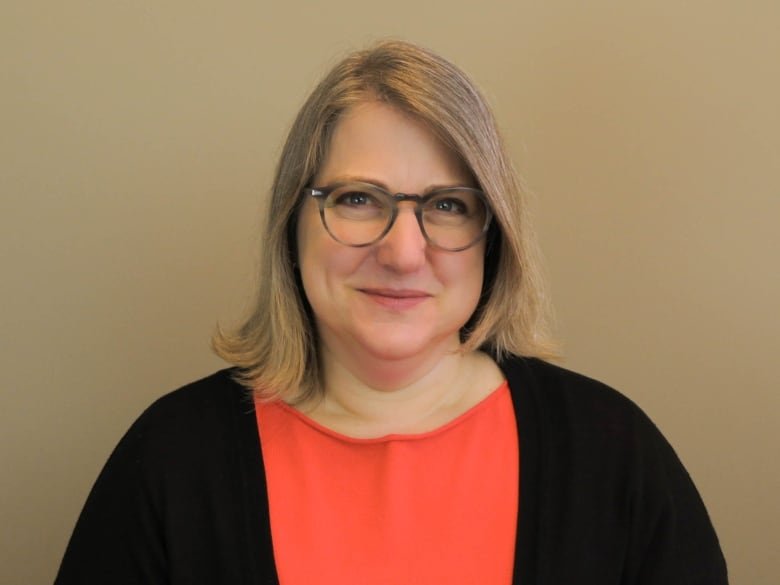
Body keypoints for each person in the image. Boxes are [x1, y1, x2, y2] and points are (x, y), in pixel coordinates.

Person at [55, 40, 728, 584]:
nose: (404, 252)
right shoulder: (170, 460)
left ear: (493, 237)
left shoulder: (614, 455)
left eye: (446, 204)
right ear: (294, 223)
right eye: (356, 199)